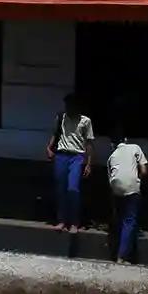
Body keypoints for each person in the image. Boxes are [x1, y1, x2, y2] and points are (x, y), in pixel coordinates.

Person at [45, 93, 94, 232]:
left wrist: (89, 163)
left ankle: (74, 222)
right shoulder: (61, 117)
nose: (68, 108)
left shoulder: (85, 121)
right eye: (67, 106)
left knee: (73, 189)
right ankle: (61, 220)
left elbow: (89, 143)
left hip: (76, 157)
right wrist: (49, 147)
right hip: (61, 155)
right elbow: (55, 134)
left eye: (71, 106)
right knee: (60, 189)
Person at [106, 133, 148, 263]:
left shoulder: (111, 157)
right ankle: (122, 256)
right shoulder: (135, 147)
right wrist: (137, 181)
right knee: (129, 221)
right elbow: (144, 171)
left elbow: (111, 179)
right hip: (132, 188)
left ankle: (116, 250)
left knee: (120, 219)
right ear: (125, 139)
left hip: (116, 190)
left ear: (112, 144)